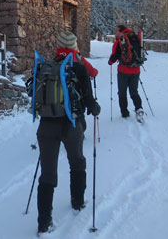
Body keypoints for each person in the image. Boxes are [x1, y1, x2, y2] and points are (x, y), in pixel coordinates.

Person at [36, 31, 101, 234]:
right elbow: (89, 100)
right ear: (74, 47)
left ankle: (44, 222)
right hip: (72, 124)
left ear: (58, 47)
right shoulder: (79, 68)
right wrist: (95, 108)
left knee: (47, 173)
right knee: (77, 161)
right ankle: (78, 201)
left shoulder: (45, 67)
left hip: (46, 125)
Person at [108, 24, 144, 121]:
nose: (115, 33)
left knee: (122, 92)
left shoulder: (120, 40)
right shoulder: (135, 37)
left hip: (123, 71)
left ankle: (124, 113)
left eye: (116, 31)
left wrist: (110, 62)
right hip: (136, 70)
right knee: (134, 91)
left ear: (120, 31)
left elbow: (114, 56)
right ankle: (139, 108)